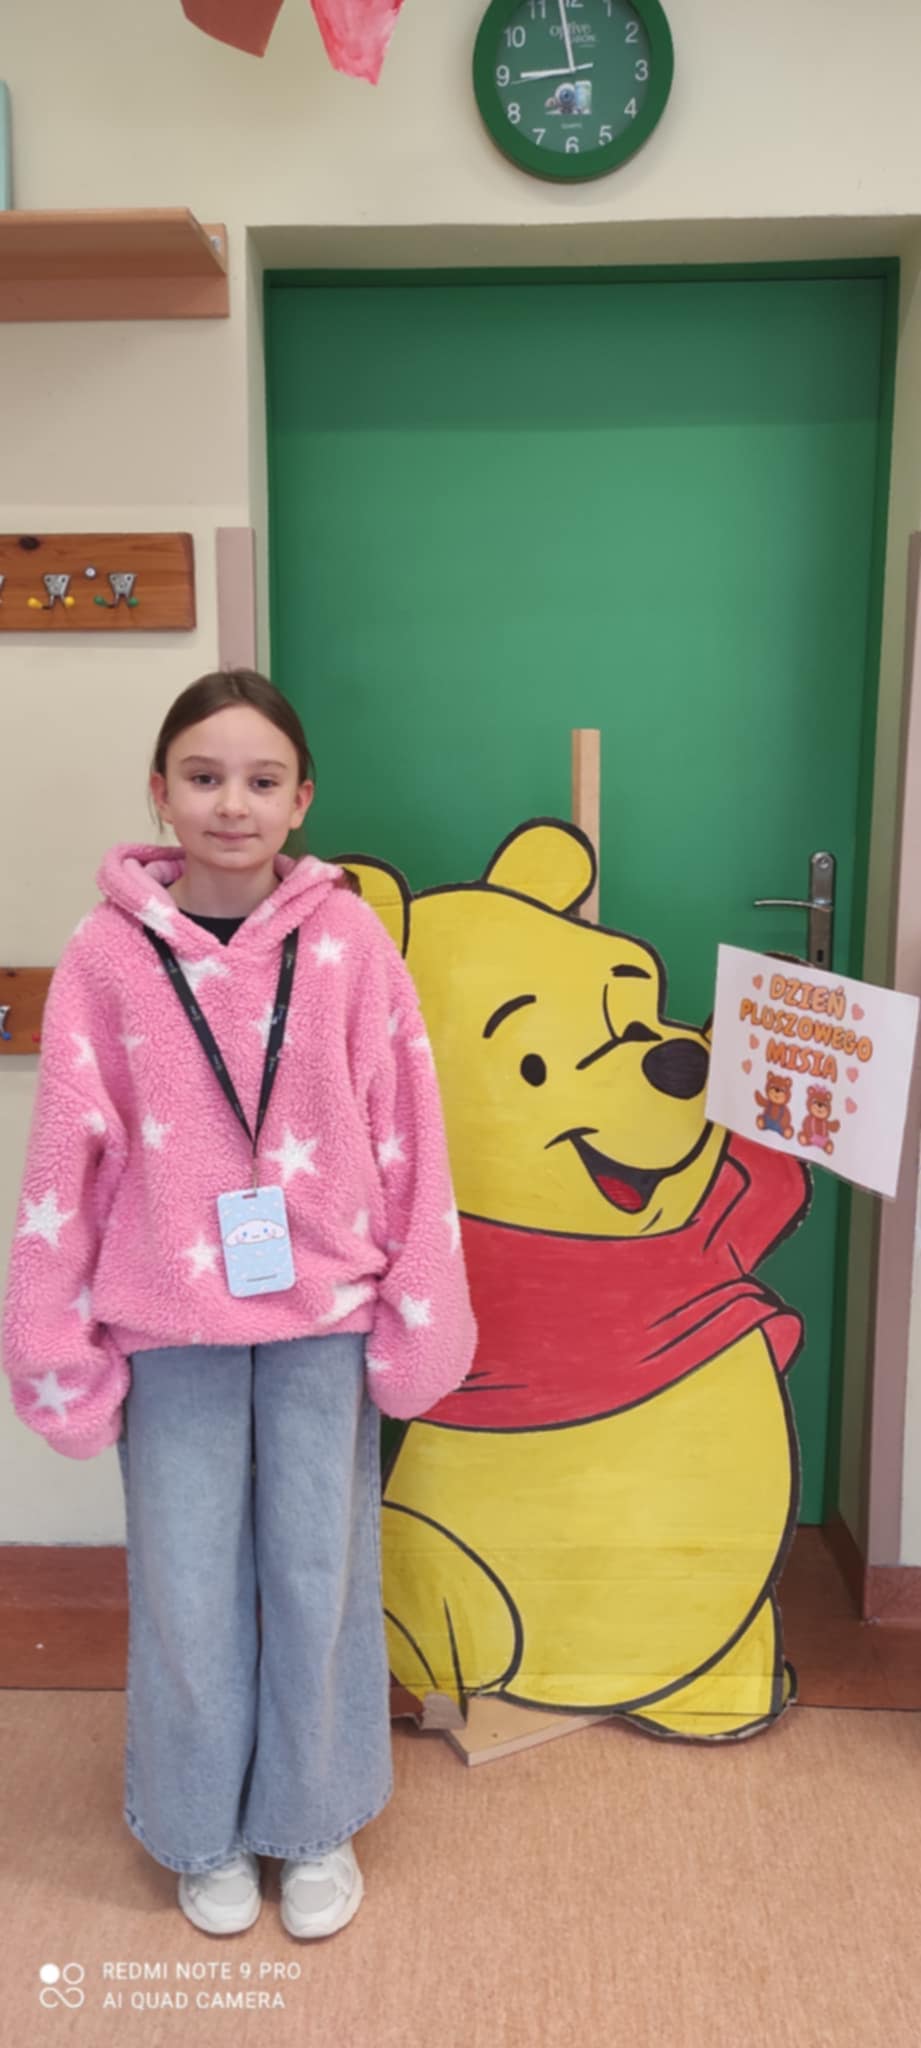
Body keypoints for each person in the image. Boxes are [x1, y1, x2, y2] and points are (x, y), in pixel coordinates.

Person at [2, 668, 476, 1941]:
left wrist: (421, 1307)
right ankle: (199, 1823)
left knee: (320, 1572)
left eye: (262, 780)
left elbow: (410, 1131)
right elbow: (63, 1159)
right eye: (204, 776)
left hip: (323, 1319)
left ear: (301, 799)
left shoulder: (352, 945)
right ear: (160, 792)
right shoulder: (106, 955)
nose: (232, 802)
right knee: (186, 1582)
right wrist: (52, 1339)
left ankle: (313, 1819)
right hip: (171, 1327)